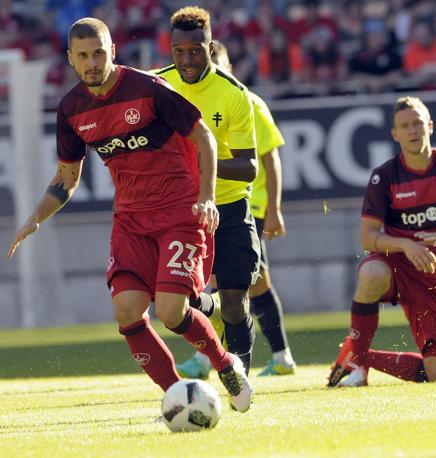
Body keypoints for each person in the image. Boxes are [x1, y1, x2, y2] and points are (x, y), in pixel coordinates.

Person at [7, 17, 253, 412]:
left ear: (113, 52)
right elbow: (66, 178)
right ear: (71, 59)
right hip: (131, 221)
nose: (92, 62)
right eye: (83, 55)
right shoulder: (71, 109)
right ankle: (179, 398)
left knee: (171, 312)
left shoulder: (150, 89)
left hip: (179, 212)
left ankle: (226, 365)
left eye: (99, 53)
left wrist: (207, 198)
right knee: (126, 311)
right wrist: (36, 216)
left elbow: (204, 137)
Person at [328, 96, 436, 387]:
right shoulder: (384, 177)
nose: (413, 130)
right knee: (371, 273)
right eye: (405, 126)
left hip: (434, 279)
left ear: (430, 126)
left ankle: (356, 356)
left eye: (417, 123)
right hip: (396, 267)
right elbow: (368, 237)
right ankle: (359, 370)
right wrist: (406, 245)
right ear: (395, 134)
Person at [177, 39, 296, 378]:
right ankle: (253, 356)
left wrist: (273, 209)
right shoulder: (188, 97)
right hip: (212, 202)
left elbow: (270, 158)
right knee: (219, 284)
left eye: (217, 60)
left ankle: (275, 355)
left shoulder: (248, 102)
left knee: (250, 283)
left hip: (248, 204)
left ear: (228, 66)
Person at [154, 6, 261, 374]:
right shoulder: (157, 85)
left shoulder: (234, 94)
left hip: (228, 208)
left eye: (196, 50)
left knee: (235, 302)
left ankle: (241, 376)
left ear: (210, 47)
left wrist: (199, 164)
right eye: (179, 50)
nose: (187, 58)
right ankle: (209, 313)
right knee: (178, 300)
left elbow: (249, 167)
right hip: (178, 209)